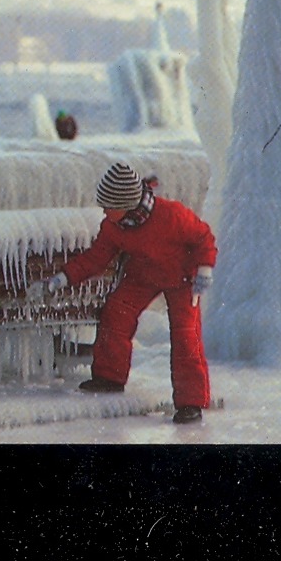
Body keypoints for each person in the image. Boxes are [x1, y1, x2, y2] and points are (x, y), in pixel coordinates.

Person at [38, 162, 217, 423]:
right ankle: (109, 377)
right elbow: (96, 258)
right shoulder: (114, 227)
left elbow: (203, 237)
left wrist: (204, 270)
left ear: (125, 204)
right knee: (116, 312)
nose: (103, 210)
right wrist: (63, 277)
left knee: (186, 337)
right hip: (143, 274)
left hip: (183, 278)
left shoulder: (171, 215)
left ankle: (191, 402)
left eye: (108, 206)